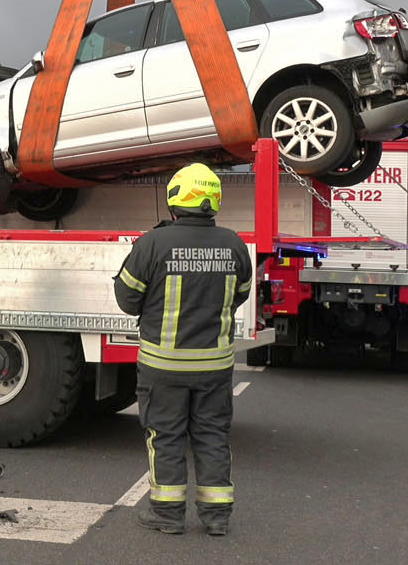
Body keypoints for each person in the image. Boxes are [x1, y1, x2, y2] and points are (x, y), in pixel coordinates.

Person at [113, 163, 252, 536]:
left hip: (164, 366)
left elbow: (127, 299)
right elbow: (240, 295)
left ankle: (168, 514)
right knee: (212, 435)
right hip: (215, 367)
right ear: (214, 199)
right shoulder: (235, 245)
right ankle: (217, 516)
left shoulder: (153, 243)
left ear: (175, 199)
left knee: (166, 437)